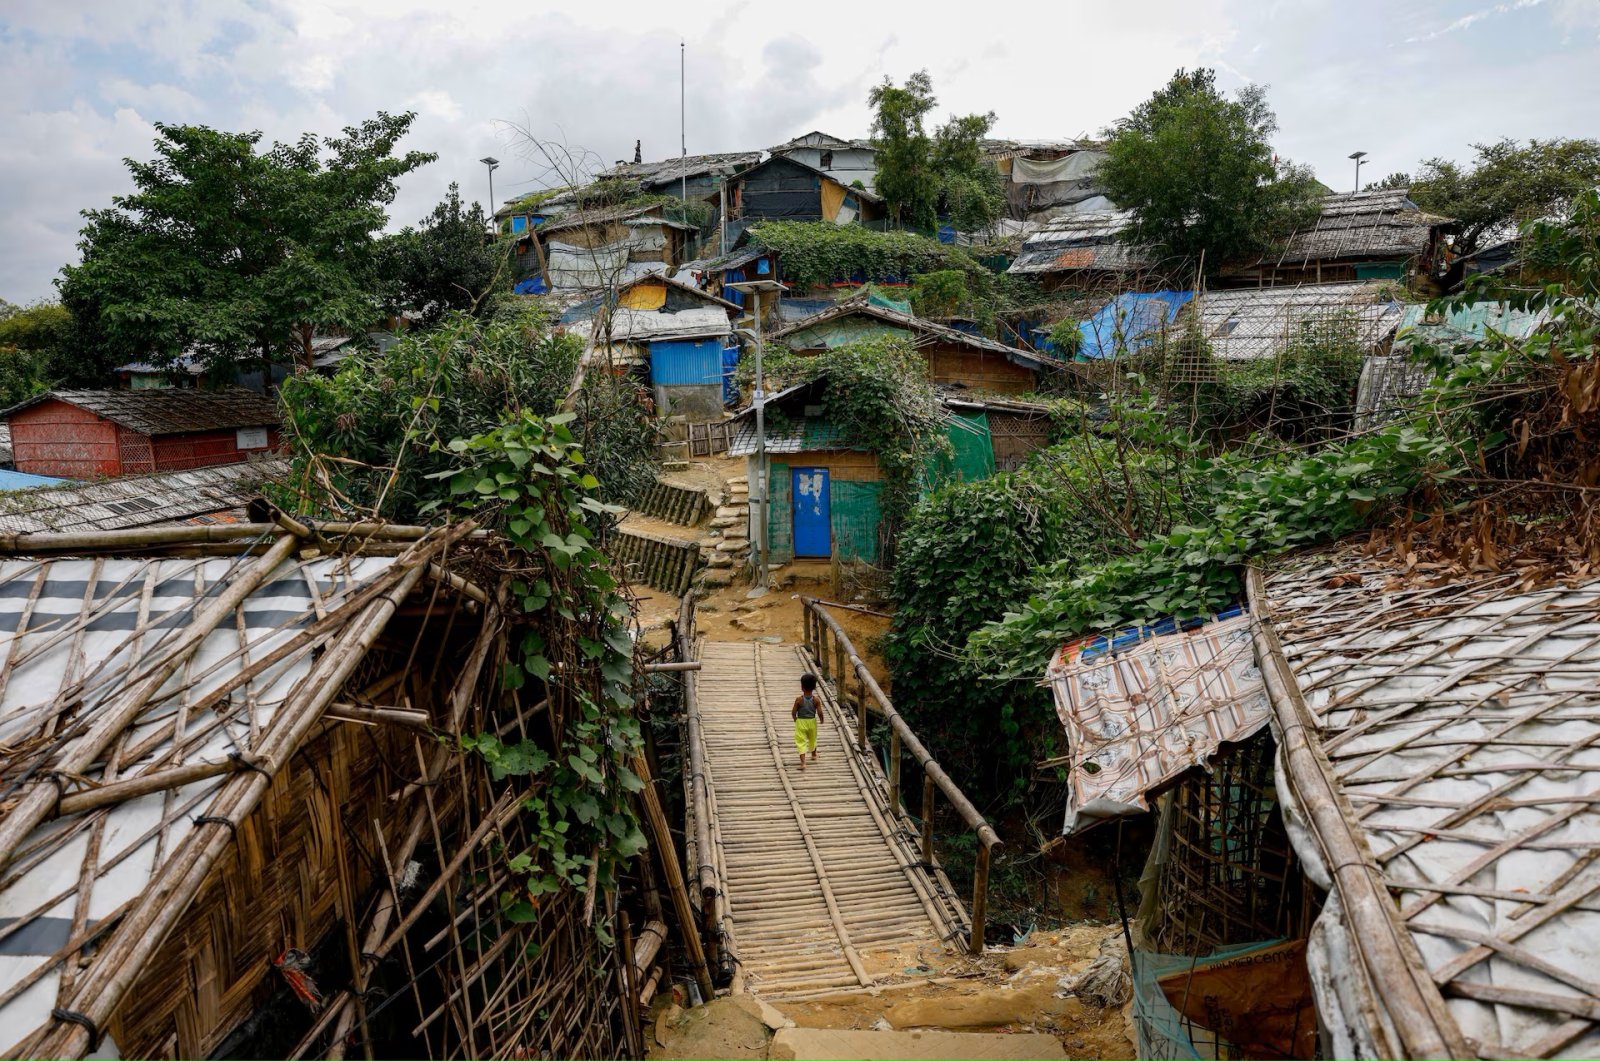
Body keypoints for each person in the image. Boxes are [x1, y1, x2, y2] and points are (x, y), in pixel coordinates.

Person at [793, 673, 822, 771]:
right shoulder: (816, 700)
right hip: (812, 721)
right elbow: (820, 712)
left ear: (802, 687)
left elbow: (793, 712)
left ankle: (803, 763)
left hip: (801, 721)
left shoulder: (799, 699)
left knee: (801, 741)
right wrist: (821, 719)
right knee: (813, 738)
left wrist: (795, 719)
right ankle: (814, 754)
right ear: (814, 687)